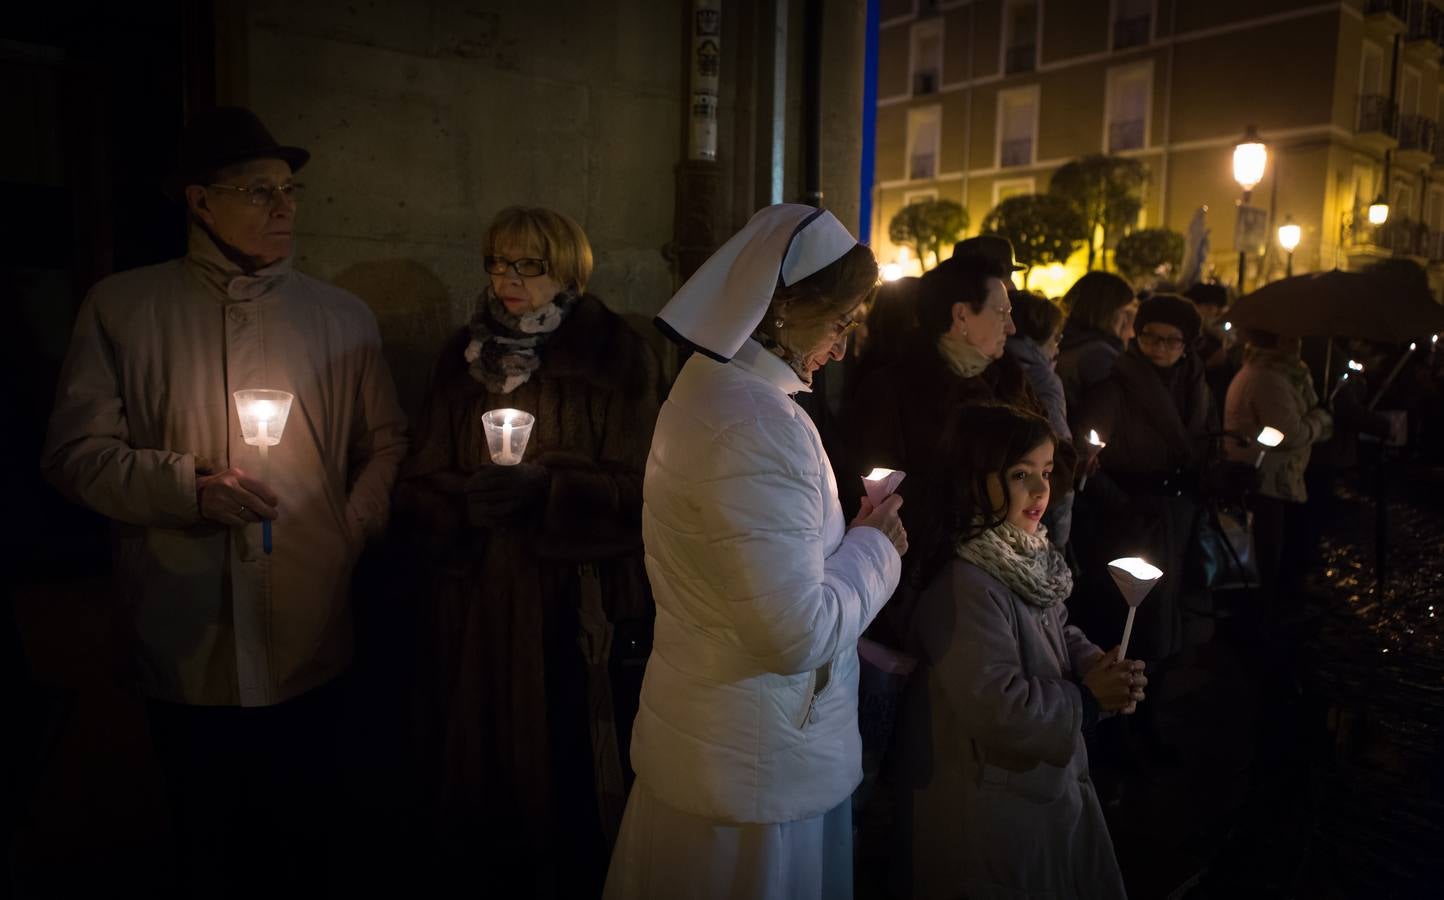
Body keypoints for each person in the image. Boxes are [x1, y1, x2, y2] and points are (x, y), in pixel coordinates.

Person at [41, 107, 408, 894]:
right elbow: (74, 454)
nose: (284, 208)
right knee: (206, 835)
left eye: (289, 190)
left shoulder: (340, 317)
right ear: (198, 200)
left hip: (310, 621)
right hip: (184, 626)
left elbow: (386, 442)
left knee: (306, 829)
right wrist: (187, 488)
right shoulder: (123, 307)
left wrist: (353, 524)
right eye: (257, 190)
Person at [603, 204, 907, 900]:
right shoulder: (760, 425)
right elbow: (793, 634)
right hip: (756, 772)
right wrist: (874, 549)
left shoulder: (710, 391)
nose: (844, 342)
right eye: (838, 321)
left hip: (721, 743)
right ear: (780, 310)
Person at [396, 205, 662, 897]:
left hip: (573, 607)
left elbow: (644, 489)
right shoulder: (463, 358)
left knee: (568, 777)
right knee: (480, 778)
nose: (506, 278)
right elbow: (419, 477)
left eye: (527, 265)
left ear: (566, 269)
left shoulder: (614, 354)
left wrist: (549, 491)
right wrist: (464, 504)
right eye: (495, 262)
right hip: (476, 602)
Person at [893, 404, 1142, 900]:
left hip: (1035, 792)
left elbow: (1054, 624)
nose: (1040, 490)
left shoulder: (1019, 555)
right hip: (990, 803)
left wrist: (1094, 663)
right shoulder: (966, 582)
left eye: (1046, 473)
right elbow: (998, 707)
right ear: (974, 478)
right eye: (1020, 474)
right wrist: (1088, 700)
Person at [1073, 294, 1212, 759]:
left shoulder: (1194, 386)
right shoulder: (1114, 388)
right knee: (1131, 626)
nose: (1160, 347)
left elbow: (1200, 442)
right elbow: (1088, 460)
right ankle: (1120, 731)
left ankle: (1149, 718)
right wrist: (1122, 502)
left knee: (1168, 626)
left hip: (1176, 518)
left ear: (1188, 345)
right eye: (1151, 336)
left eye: (1172, 340)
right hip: (1131, 523)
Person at [1224, 329, 1333, 618]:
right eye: (1293, 338)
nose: (1298, 343)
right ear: (1281, 341)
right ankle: (1263, 618)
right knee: (1266, 555)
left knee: (1270, 552)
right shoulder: (1267, 378)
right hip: (1266, 479)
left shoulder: (1274, 373)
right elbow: (1288, 432)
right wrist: (1320, 421)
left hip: (1271, 476)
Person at [1005, 289, 1073, 546]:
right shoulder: (1041, 377)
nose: (1058, 345)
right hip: (1035, 510)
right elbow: (1058, 449)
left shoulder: (998, 362)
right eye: (1056, 337)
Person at [1057, 271, 1138, 419]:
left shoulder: (1066, 340)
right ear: (1110, 312)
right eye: (1127, 312)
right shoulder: (1098, 356)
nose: (1131, 325)